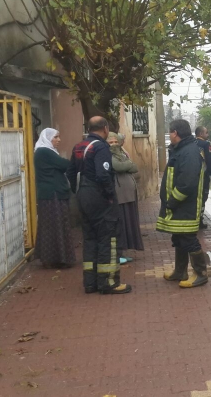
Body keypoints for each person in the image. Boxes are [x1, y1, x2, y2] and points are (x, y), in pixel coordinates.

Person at [67, 116, 132, 295]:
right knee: (108, 239)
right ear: (105, 128)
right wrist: (110, 196)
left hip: (83, 195)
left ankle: (90, 283)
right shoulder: (101, 147)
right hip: (99, 197)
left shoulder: (79, 146)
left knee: (90, 239)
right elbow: (103, 175)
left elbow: (70, 173)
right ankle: (108, 282)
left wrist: (78, 193)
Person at [158, 119, 208, 288]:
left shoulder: (189, 152)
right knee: (179, 237)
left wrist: (172, 201)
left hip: (186, 206)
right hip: (180, 206)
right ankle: (180, 271)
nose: (170, 135)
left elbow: (187, 183)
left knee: (188, 238)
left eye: (170, 132)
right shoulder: (182, 149)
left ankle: (201, 274)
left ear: (175, 133)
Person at [34, 128, 75, 268]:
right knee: (56, 226)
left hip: (51, 194)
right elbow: (65, 164)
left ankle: (53, 259)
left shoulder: (45, 151)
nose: (59, 140)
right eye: (55, 137)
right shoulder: (44, 152)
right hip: (52, 195)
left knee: (52, 226)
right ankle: (57, 259)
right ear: (47, 138)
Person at [107, 132, 144, 260]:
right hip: (120, 195)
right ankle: (118, 254)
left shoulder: (122, 153)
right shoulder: (108, 154)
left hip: (128, 195)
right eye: (110, 142)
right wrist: (128, 164)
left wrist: (127, 165)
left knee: (128, 222)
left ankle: (123, 251)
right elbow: (118, 166)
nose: (114, 145)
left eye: (115, 142)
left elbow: (135, 167)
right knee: (121, 223)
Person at [194, 126, 211, 228]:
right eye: (206, 133)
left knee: (194, 197)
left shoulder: (192, 143)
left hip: (193, 175)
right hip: (204, 175)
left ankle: (194, 217)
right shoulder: (206, 144)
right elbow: (209, 160)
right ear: (201, 134)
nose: (208, 134)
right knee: (203, 197)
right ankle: (200, 220)